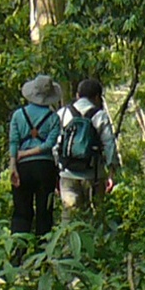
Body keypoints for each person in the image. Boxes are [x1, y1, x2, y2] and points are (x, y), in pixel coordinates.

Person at [7, 75, 62, 248]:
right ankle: (42, 256)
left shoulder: (18, 115)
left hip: (23, 168)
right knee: (44, 212)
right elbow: (49, 145)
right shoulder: (53, 118)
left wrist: (14, 164)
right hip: (45, 169)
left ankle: (18, 253)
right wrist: (30, 153)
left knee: (21, 212)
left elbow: (14, 142)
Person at [56, 78, 119, 218]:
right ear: (97, 97)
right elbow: (109, 145)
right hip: (94, 175)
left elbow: (55, 145)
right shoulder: (100, 115)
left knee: (69, 219)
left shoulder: (63, 113)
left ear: (78, 95)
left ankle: (69, 240)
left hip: (67, 174)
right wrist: (111, 172)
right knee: (95, 218)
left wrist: (57, 170)